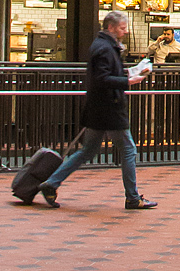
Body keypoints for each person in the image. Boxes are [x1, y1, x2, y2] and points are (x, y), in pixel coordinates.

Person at [40, 11, 156, 210]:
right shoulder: (105, 48)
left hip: (97, 109)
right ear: (111, 27)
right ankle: (132, 197)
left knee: (88, 150)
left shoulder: (103, 46)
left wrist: (130, 72)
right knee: (128, 149)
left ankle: (51, 182)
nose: (126, 31)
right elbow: (102, 79)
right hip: (110, 109)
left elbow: (105, 74)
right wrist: (129, 80)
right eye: (122, 28)